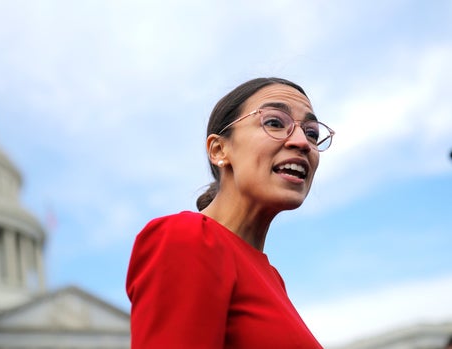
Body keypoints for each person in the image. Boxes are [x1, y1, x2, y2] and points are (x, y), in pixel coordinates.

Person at [126, 77, 335, 348]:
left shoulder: (272, 278)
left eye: (312, 133)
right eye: (274, 122)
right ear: (219, 149)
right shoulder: (187, 237)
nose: (302, 142)